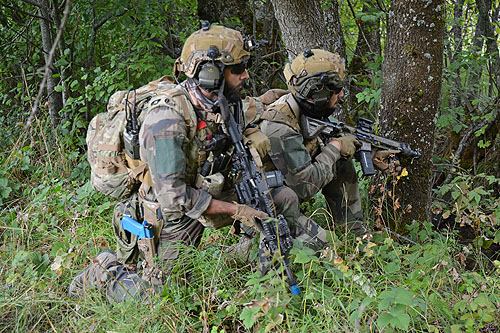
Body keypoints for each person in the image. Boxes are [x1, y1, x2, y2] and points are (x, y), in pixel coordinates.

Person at [68, 25, 328, 303]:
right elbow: (174, 196)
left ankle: (267, 294)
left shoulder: (225, 100)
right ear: (210, 74)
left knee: (282, 198)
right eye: (238, 68)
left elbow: (260, 107)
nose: (246, 75)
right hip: (170, 211)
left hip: (210, 190)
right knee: (163, 298)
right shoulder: (166, 121)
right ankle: (103, 274)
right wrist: (237, 210)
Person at [252, 49, 400, 236]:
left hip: (286, 187)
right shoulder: (279, 127)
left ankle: (353, 232)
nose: (342, 95)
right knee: (323, 249)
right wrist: (336, 148)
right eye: (336, 90)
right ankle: (249, 245)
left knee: (341, 162)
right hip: (263, 201)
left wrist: (372, 153)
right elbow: (304, 187)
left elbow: (336, 134)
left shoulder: (307, 109)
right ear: (318, 93)